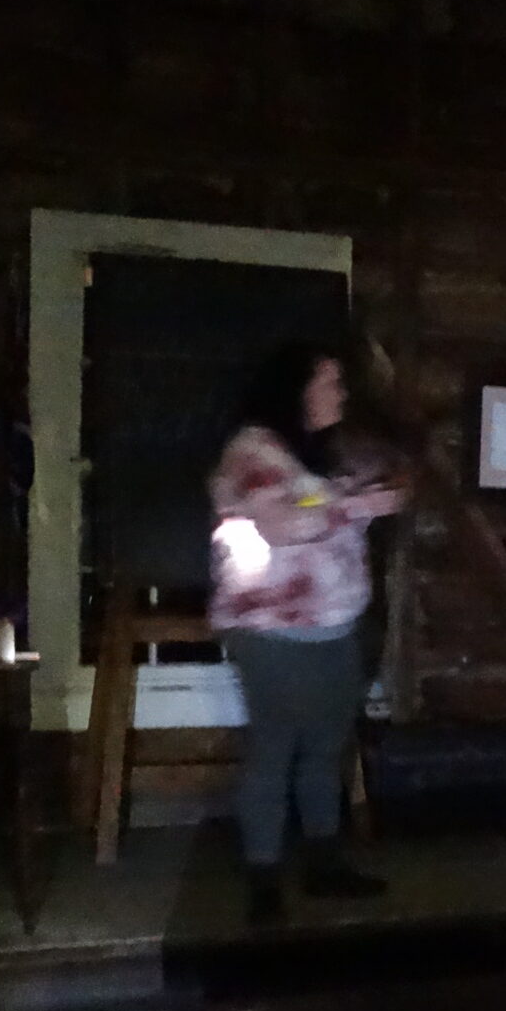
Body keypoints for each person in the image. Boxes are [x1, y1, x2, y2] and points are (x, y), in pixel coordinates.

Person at [209, 342, 407, 925]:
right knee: (275, 750)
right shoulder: (253, 451)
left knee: (325, 750)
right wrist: (360, 505)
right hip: (273, 634)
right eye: (330, 384)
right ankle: (264, 882)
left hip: (333, 632)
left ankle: (324, 866)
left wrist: (359, 492)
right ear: (295, 389)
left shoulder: (308, 455)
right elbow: (282, 525)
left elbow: (318, 501)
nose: (340, 395)